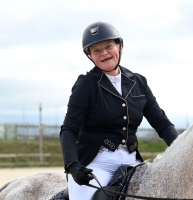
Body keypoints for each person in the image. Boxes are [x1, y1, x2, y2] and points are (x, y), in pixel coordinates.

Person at [60, 21, 178, 200]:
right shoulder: (86, 84)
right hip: (96, 164)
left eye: (108, 46)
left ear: (120, 47)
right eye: (96, 50)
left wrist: (180, 149)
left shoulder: (139, 83)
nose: (104, 53)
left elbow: (161, 123)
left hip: (133, 162)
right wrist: (72, 165)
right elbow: (69, 129)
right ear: (90, 56)